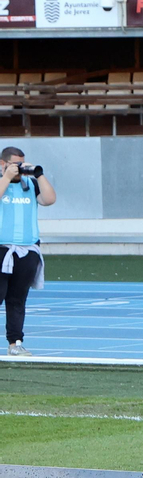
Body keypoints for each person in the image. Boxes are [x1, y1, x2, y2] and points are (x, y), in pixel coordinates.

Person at [0, 147, 54, 356]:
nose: (20, 169)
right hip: (2, 248)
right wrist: (7, 176)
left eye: (22, 164)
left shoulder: (30, 185)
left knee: (17, 299)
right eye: (16, 164)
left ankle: (15, 343)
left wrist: (38, 174)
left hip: (27, 250)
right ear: (3, 163)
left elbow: (49, 199)